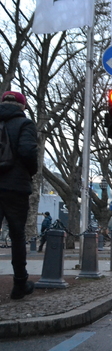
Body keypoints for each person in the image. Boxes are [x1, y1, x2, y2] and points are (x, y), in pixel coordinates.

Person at [0, 91, 38, 299]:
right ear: (22, 106)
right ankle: (20, 284)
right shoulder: (25, 124)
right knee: (17, 236)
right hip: (15, 187)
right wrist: (29, 172)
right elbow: (28, 152)